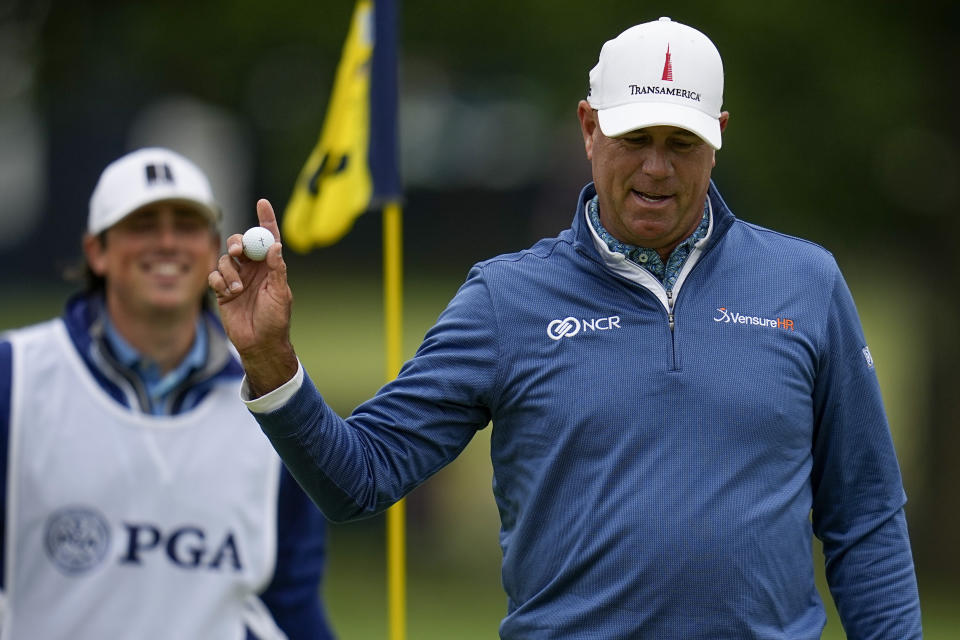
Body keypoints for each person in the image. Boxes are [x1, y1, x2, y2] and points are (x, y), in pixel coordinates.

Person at [209, 17, 922, 639]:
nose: (655, 167)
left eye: (681, 142)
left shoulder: (806, 283)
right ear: (588, 127)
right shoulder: (507, 298)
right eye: (634, 137)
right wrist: (272, 362)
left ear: (718, 139)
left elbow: (865, 520)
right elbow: (358, 478)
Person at [0, 147, 336, 639]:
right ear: (97, 251)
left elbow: (291, 600)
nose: (167, 243)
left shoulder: (272, 397)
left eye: (186, 225)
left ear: (211, 246)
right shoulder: (16, 376)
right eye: (141, 225)